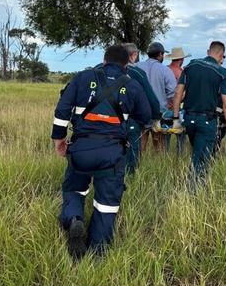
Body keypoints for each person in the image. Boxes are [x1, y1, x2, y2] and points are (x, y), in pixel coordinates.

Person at [52, 45, 152, 258]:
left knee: (74, 190)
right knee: (106, 203)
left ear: (104, 60)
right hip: (112, 154)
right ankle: (97, 253)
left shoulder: (82, 77)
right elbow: (146, 116)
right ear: (127, 64)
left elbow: (62, 110)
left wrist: (59, 139)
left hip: (80, 149)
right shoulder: (132, 85)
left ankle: (74, 220)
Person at [172, 41, 226, 189]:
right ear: (220, 55)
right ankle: (192, 193)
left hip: (188, 119)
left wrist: (175, 119)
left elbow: (178, 93)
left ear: (208, 51)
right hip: (207, 121)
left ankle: (194, 187)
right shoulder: (222, 73)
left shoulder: (190, 66)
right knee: (200, 160)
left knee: (197, 152)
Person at [123, 43, 161, 173]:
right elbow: (151, 98)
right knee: (132, 154)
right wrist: (156, 117)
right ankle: (130, 178)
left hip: (103, 120)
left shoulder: (100, 69)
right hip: (131, 119)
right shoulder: (137, 73)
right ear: (134, 55)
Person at [136, 42, 177, 153]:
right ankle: (158, 168)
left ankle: (137, 168)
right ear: (160, 54)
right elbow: (173, 92)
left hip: (139, 113)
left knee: (139, 148)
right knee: (160, 149)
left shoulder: (137, 67)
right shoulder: (165, 70)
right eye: (163, 54)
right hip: (159, 114)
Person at [166, 47, 191, 153]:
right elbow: (181, 94)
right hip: (178, 109)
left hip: (165, 108)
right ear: (181, 59)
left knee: (165, 137)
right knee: (180, 138)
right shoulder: (182, 73)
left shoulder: (165, 69)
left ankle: (163, 158)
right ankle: (179, 160)